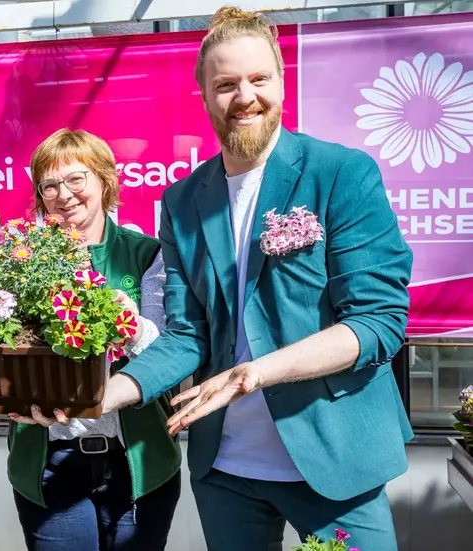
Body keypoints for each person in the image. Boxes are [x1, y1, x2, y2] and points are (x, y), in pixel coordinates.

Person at [96, 6, 414, 550]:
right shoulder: (182, 201)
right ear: (204, 96)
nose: (244, 96)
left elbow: (378, 323)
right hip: (227, 468)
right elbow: (186, 333)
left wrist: (253, 374)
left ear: (281, 82)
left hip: (335, 456)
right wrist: (100, 397)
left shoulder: (339, 172)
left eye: (258, 79)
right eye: (225, 84)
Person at [5, 129, 181, 551]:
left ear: (104, 180)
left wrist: (132, 324)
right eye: (50, 185)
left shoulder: (146, 253)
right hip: (51, 462)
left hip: (137, 458)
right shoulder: (19, 262)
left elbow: (170, 351)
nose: (64, 194)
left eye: (76, 179)